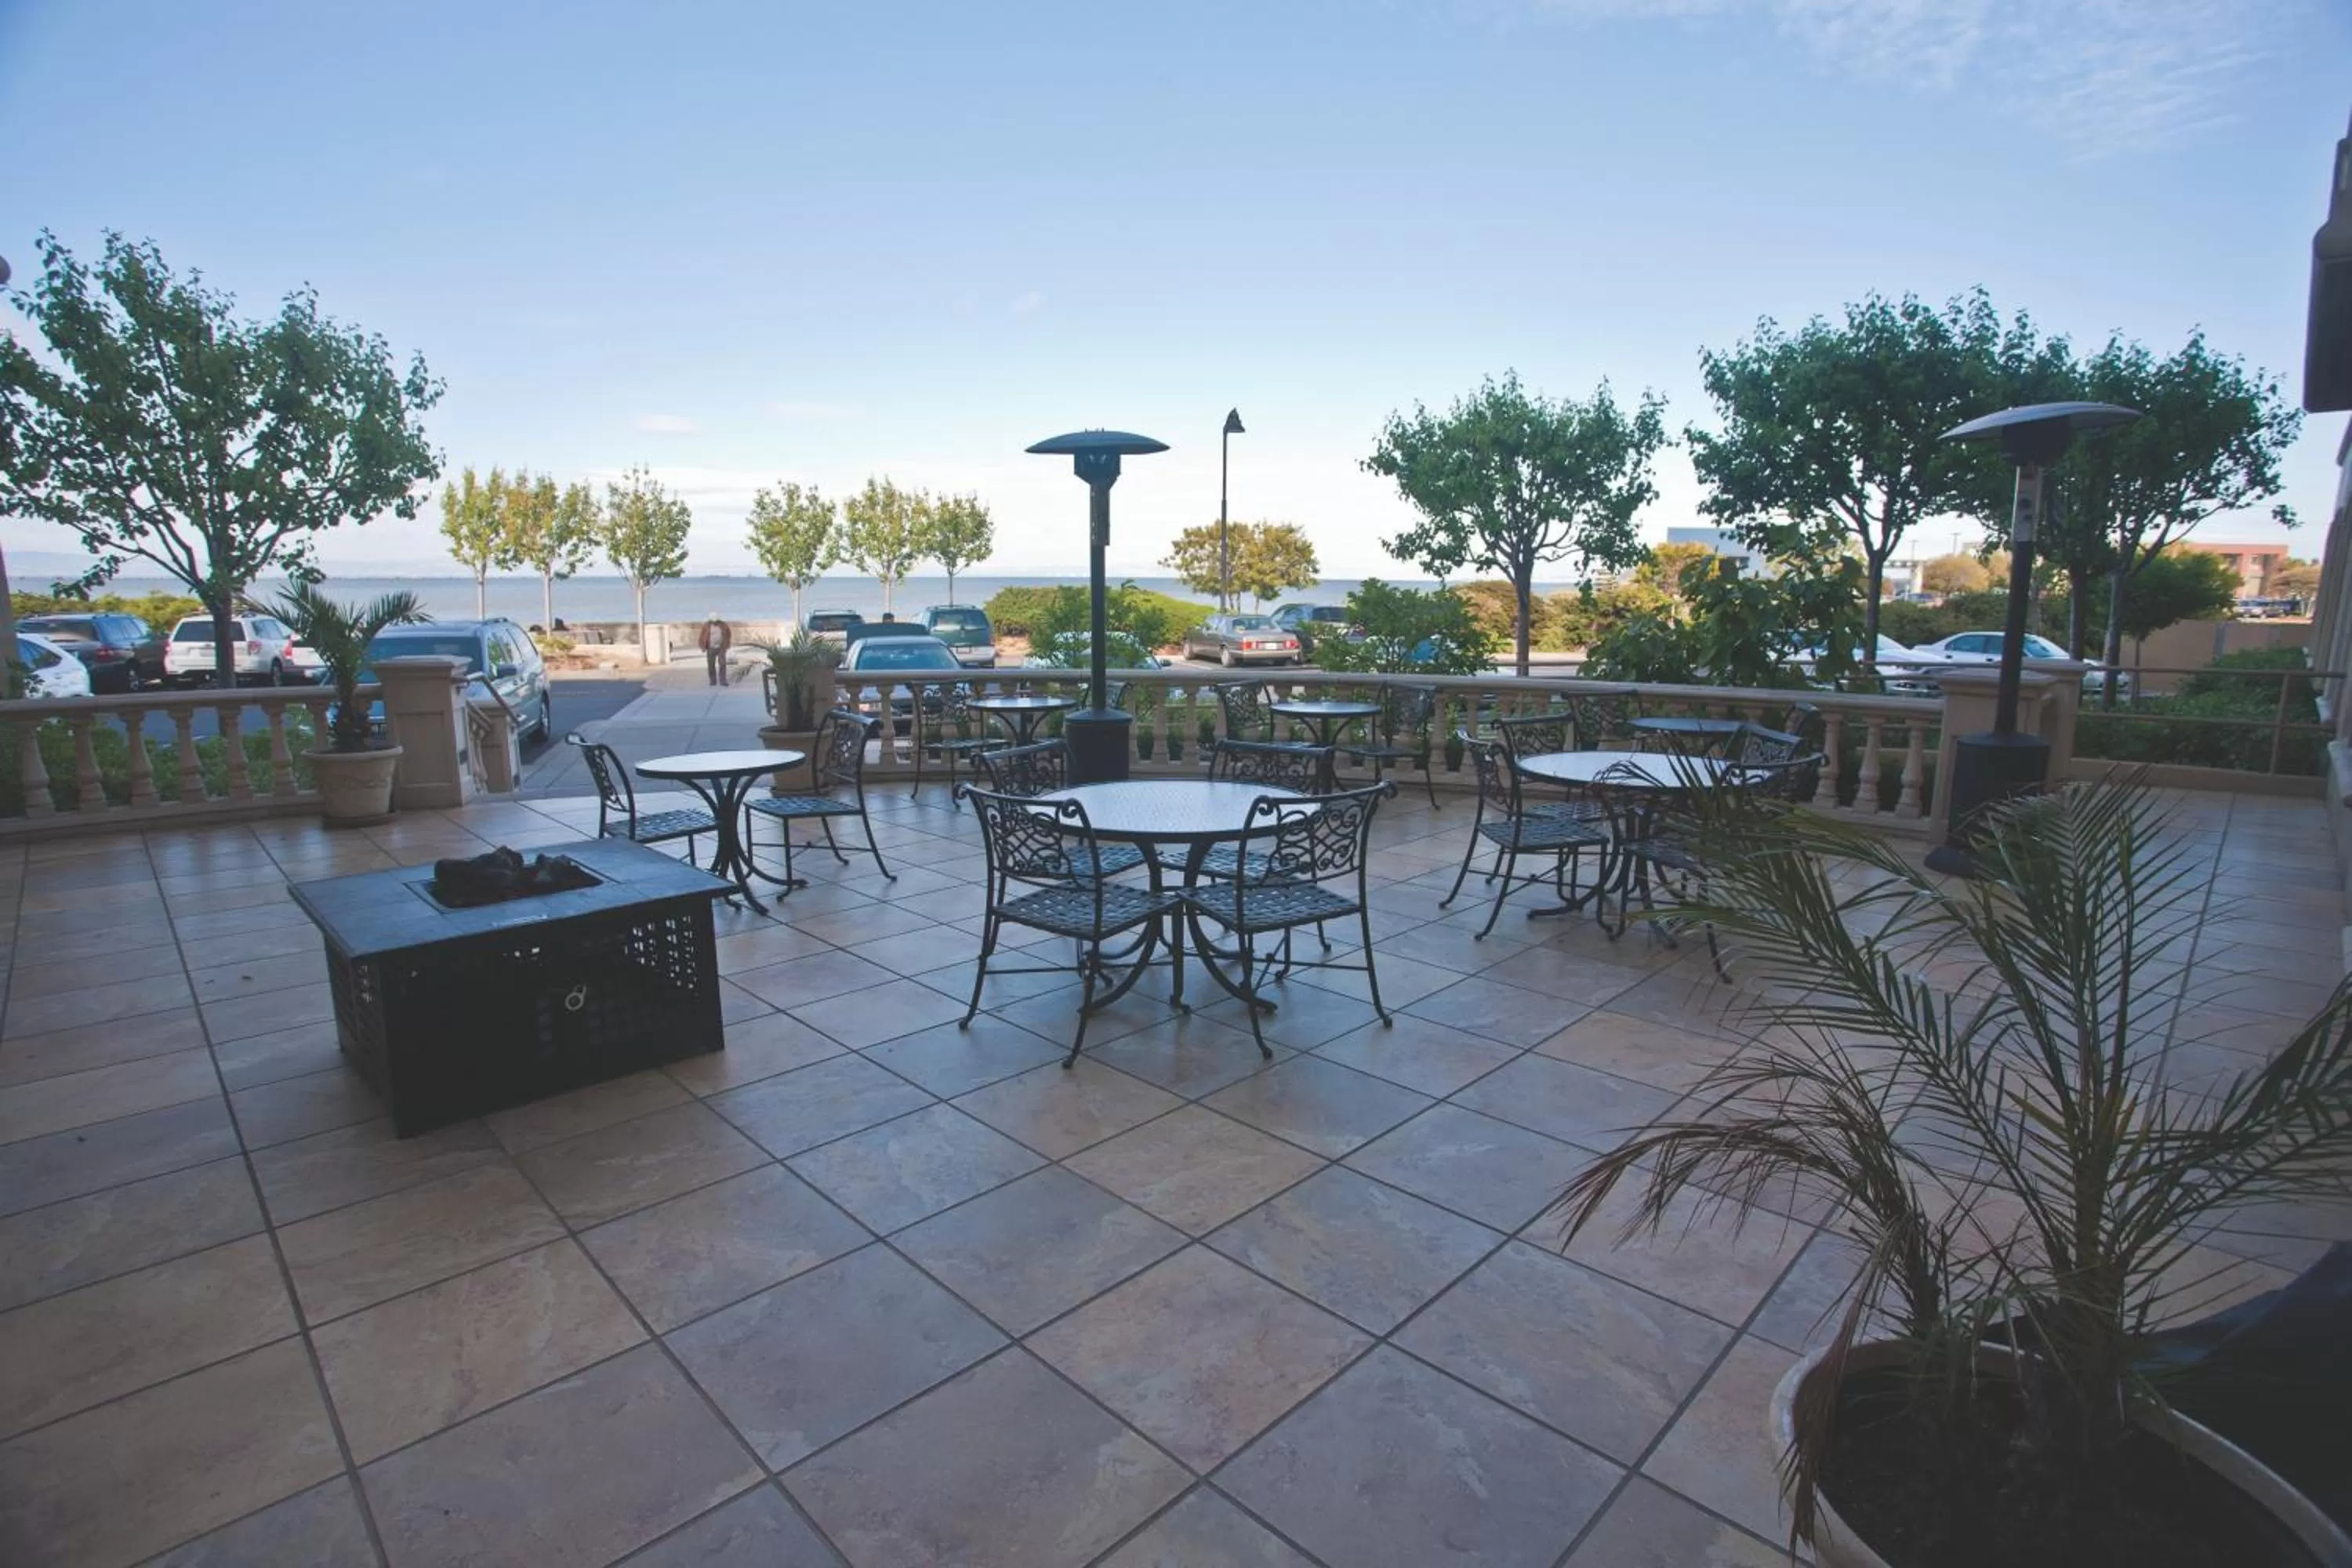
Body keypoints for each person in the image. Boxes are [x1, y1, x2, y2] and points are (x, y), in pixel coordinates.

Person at [697, 612, 732, 686]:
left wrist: (727, 644)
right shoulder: (706, 626)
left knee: (722, 664)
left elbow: (728, 634)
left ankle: (723, 680)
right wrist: (702, 646)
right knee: (711, 665)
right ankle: (713, 681)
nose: (714, 622)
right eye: (713, 621)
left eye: (716, 621)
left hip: (721, 648)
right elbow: (702, 636)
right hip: (711, 648)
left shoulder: (723, 625)